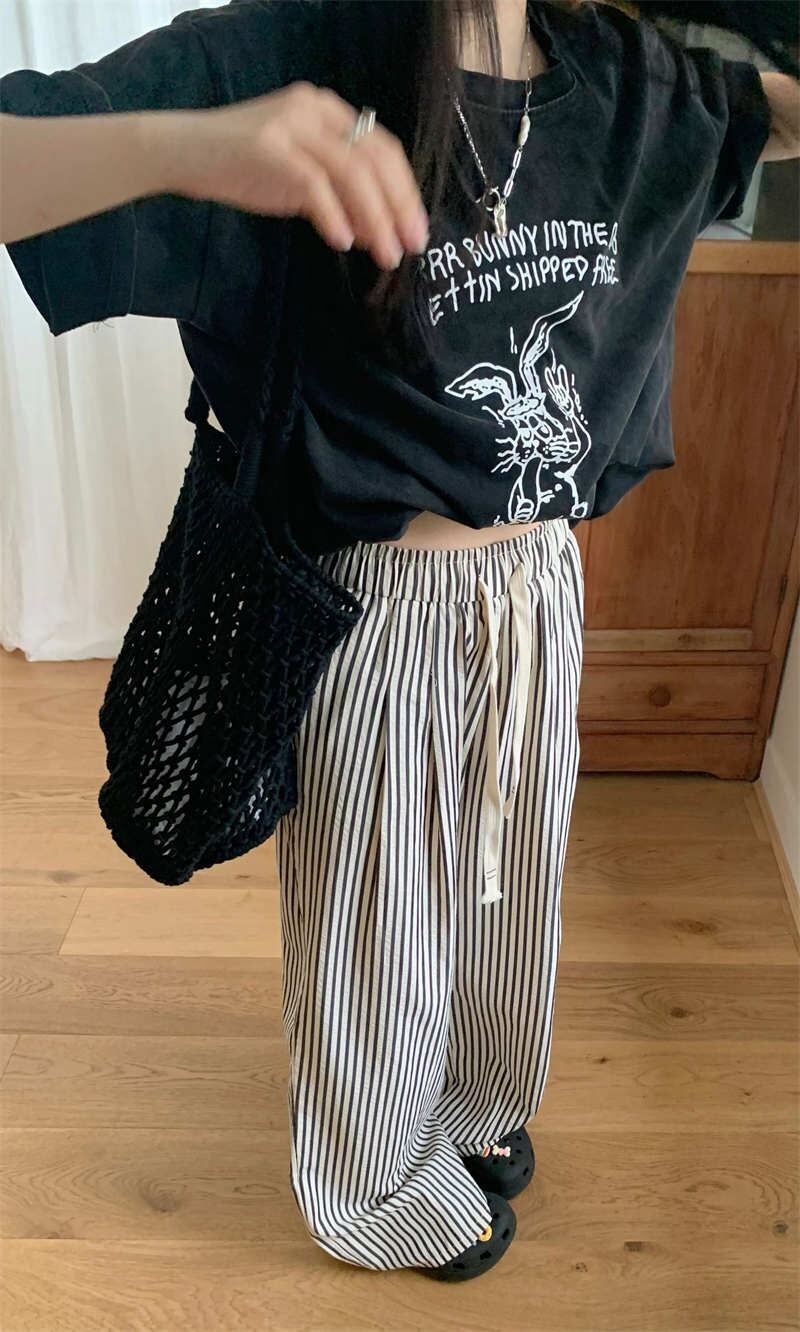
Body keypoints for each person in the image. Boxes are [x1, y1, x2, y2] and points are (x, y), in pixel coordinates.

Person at [2, 0, 798, 1284]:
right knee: (380, 916)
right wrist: (186, 147)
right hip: (376, 602)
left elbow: (762, 116)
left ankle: (475, 1104)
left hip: (540, 586)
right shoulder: (280, 60)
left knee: (511, 883)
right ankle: (372, 1180)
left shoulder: (628, 79)